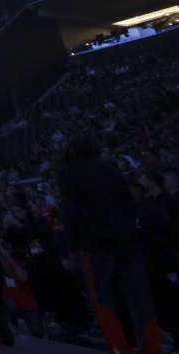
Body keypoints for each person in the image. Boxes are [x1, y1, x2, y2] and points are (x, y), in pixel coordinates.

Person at [58, 136, 163, 354]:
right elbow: (128, 202)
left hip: (96, 246)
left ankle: (119, 348)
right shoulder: (111, 169)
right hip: (127, 240)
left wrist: (72, 247)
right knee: (140, 297)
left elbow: (70, 213)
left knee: (103, 299)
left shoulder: (69, 174)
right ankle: (152, 348)